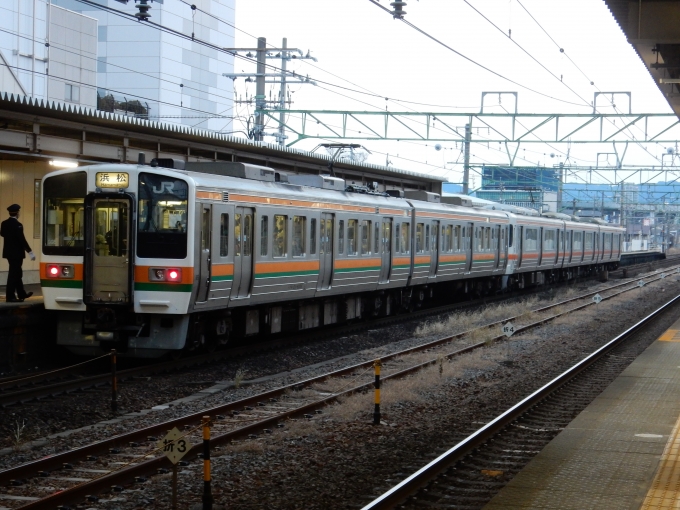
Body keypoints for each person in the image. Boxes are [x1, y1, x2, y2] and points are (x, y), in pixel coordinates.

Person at [1, 204, 35, 302]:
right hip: (17, 253)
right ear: (17, 213)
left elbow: (2, 234)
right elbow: (22, 240)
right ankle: (10, 296)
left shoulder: (4, 223)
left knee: (16, 273)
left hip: (8, 253)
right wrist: (30, 251)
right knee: (13, 274)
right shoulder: (18, 225)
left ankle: (21, 293)